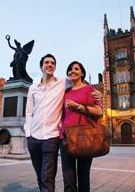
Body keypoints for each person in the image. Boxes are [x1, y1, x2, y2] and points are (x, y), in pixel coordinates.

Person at [24, 54, 101, 192]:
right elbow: (29, 112)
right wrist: (28, 134)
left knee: (61, 177)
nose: (49, 64)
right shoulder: (36, 87)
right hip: (49, 137)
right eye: (46, 62)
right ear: (41, 67)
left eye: (52, 62)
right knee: (59, 178)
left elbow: (96, 106)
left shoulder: (69, 84)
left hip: (67, 136)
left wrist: (97, 94)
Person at [60, 61, 103, 192]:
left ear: (82, 73)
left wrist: (79, 107)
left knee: (83, 178)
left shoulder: (89, 89)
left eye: (76, 69)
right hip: (66, 137)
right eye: (70, 70)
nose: (72, 71)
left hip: (85, 136)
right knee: (68, 180)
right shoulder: (64, 92)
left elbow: (99, 111)